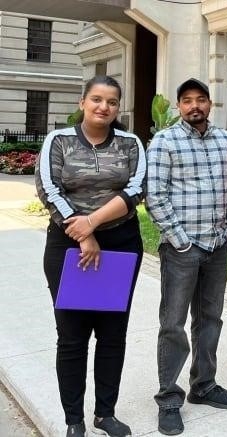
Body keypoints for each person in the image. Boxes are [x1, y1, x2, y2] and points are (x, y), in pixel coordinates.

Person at [35, 75, 145, 437]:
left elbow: (136, 188)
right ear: (82, 102)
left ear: (117, 108)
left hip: (119, 243)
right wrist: (82, 236)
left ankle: (105, 413)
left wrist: (93, 225)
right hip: (68, 247)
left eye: (112, 102)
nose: (104, 107)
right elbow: (48, 188)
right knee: (72, 335)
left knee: (112, 333)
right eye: (97, 99)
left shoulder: (130, 143)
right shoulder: (59, 141)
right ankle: (74, 420)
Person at [146, 78, 227, 436]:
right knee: (173, 324)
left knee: (210, 319)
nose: (194, 106)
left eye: (200, 100)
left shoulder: (224, 141)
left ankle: (204, 384)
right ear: (178, 106)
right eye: (187, 100)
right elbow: (154, 195)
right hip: (181, 249)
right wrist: (181, 241)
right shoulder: (164, 141)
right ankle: (169, 398)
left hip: (218, 245)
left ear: (210, 103)